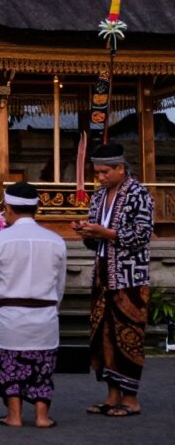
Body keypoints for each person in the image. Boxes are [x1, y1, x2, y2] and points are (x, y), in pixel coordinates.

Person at [72, 143, 154, 417]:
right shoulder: (98, 197)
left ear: (121, 168)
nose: (101, 177)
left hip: (130, 276)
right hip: (102, 274)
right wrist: (87, 234)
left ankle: (131, 399)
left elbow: (141, 236)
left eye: (105, 171)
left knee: (127, 335)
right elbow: (97, 244)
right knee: (102, 334)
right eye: (97, 172)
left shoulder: (139, 194)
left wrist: (105, 233)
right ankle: (112, 395)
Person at [0, 182, 67, 428]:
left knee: (10, 366)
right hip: (46, 316)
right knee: (43, 367)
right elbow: (59, 286)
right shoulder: (56, 241)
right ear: (37, 208)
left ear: (8, 208)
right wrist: (51, 309)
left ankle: (14, 415)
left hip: (11, 315)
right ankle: (42, 416)